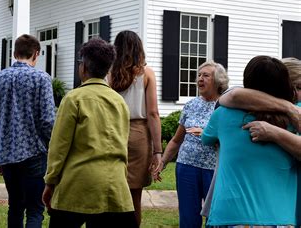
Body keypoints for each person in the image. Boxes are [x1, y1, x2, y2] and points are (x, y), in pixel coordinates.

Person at [42, 38, 137, 228]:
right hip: (115, 187)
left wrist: (50, 181)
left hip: (77, 184)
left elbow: (59, 147)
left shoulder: (74, 98)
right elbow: (123, 144)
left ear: (83, 67)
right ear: (108, 70)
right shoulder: (119, 102)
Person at [202, 56, 297, 226]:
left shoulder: (222, 115)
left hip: (229, 216)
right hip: (281, 218)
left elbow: (207, 139)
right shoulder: (294, 120)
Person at [0, 34, 55, 228]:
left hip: (7, 154)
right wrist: (52, 148)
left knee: (15, 206)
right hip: (35, 153)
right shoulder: (42, 79)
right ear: (36, 54)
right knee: (35, 209)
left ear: (14, 53)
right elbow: (48, 120)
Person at [154, 60, 229, 227]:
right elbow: (176, 140)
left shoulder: (226, 107)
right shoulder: (190, 105)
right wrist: (163, 162)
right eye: (199, 75)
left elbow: (231, 141)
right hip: (186, 167)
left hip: (214, 169)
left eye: (206, 75)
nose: (200, 79)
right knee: (188, 218)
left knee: (215, 217)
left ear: (218, 81)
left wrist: (207, 134)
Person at [108, 30, 162, 225]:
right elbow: (153, 113)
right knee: (134, 197)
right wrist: (158, 150)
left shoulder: (108, 73)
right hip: (138, 136)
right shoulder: (146, 74)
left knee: (111, 192)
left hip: (112, 133)